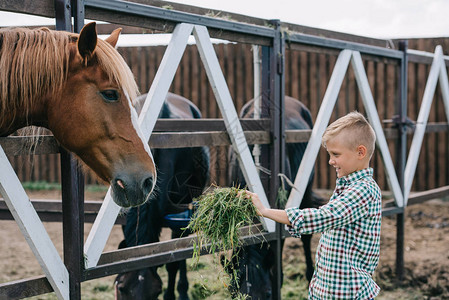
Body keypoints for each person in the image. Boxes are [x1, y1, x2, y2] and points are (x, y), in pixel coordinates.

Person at [245, 111, 382, 299]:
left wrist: (265, 211)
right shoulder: (349, 186)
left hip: (347, 292)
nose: (330, 160)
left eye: (336, 154)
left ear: (360, 152)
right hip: (328, 288)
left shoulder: (363, 191)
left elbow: (323, 217)